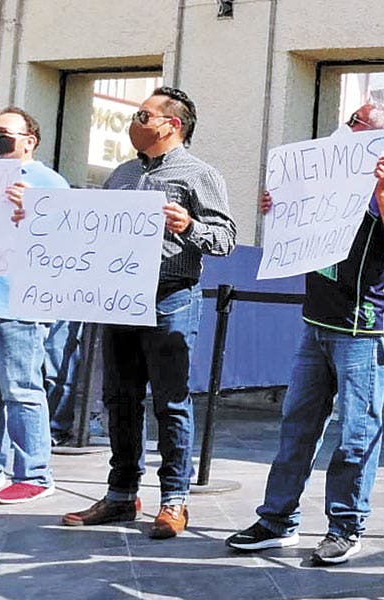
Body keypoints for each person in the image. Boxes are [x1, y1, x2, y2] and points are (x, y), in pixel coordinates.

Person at [224, 102, 384, 565]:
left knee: (356, 432)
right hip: (317, 320)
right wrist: (278, 208)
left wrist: (382, 192)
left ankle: (346, 526)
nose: (345, 127)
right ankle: (277, 520)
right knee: (297, 425)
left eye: (356, 122)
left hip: (363, 326)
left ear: (382, 138)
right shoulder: (327, 173)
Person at [59, 87, 236, 539]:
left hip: (171, 298)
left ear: (171, 124)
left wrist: (189, 226)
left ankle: (174, 499)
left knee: (171, 402)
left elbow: (225, 240)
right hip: (118, 299)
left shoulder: (199, 174)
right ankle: (121, 495)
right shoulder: (122, 174)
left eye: (142, 115)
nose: (134, 123)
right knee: (119, 398)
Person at [0, 106, 70, 504]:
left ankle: (34, 473)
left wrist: (35, 210)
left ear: (29, 141)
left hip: (18, 302)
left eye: (2, 132)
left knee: (21, 389)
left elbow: (69, 240)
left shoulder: (49, 183)